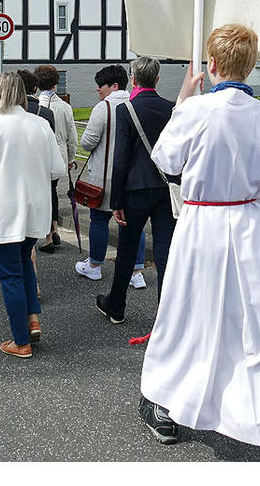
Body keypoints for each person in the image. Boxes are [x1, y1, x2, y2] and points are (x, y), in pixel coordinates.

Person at [138, 24, 260, 462]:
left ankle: (164, 400)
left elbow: (165, 160)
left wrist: (181, 104)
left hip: (200, 226)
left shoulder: (195, 112)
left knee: (185, 314)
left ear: (210, 65)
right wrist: (251, 213)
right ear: (250, 67)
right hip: (247, 225)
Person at [0, 73, 66, 358]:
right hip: (35, 212)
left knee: (10, 276)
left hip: (3, 212)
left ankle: (21, 341)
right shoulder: (41, 124)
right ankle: (31, 319)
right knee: (24, 263)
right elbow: (58, 170)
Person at [94, 58, 177, 320]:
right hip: (165, 187)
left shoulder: (127, 109)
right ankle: (166, 315)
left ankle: (116, 305)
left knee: (127, 250)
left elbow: (121, 159)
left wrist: (116, 200)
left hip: (134, 189)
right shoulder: (172, 108)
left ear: (133, 79)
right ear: (158, 79)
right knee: (165, 251)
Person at [74, 64, 146, 289]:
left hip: (105, 177)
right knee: (135, 224)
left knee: (99, 220)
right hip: (133, 177)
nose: (98, 90)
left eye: (101, 86)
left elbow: (87, 142)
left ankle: (94, 265)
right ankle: (137, 271)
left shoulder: (103, 108)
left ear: (114, 85)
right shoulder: (136, 105)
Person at [34, 64, 77, 252]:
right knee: (52, 192)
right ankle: (54, 228)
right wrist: (70, 159)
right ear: (55, 83)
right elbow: (72, 137)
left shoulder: (34, 106)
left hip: (38, 155)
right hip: (59, 155)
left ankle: (48, 234)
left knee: (42, 193)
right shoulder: (65, 107)